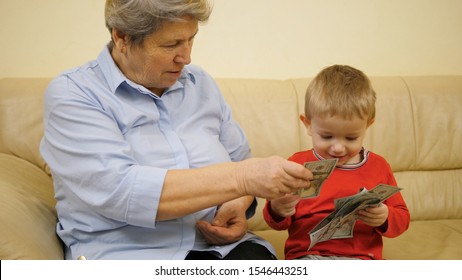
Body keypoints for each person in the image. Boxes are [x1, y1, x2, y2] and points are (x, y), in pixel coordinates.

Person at [40, 0, 312, 260]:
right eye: (172, 44)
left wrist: (237, 204)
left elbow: (239, 160)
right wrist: (242, 179)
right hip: (130, 255)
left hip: (224, 250)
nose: (187, 57)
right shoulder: (74, 94)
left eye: (191, 39)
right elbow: (123, 191)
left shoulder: (200, 83)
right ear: (122, 37)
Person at [263, 65, 410, 260]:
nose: (338, 148)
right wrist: (277, 209)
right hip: (309, 255)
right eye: (327, 136)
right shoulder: (297, 164)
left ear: (368, 125)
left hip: (361, 258)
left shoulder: (379, 166)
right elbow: (276, 222)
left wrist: (384, 217)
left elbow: (402, 218)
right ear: (308, 124)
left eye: (351, 138)